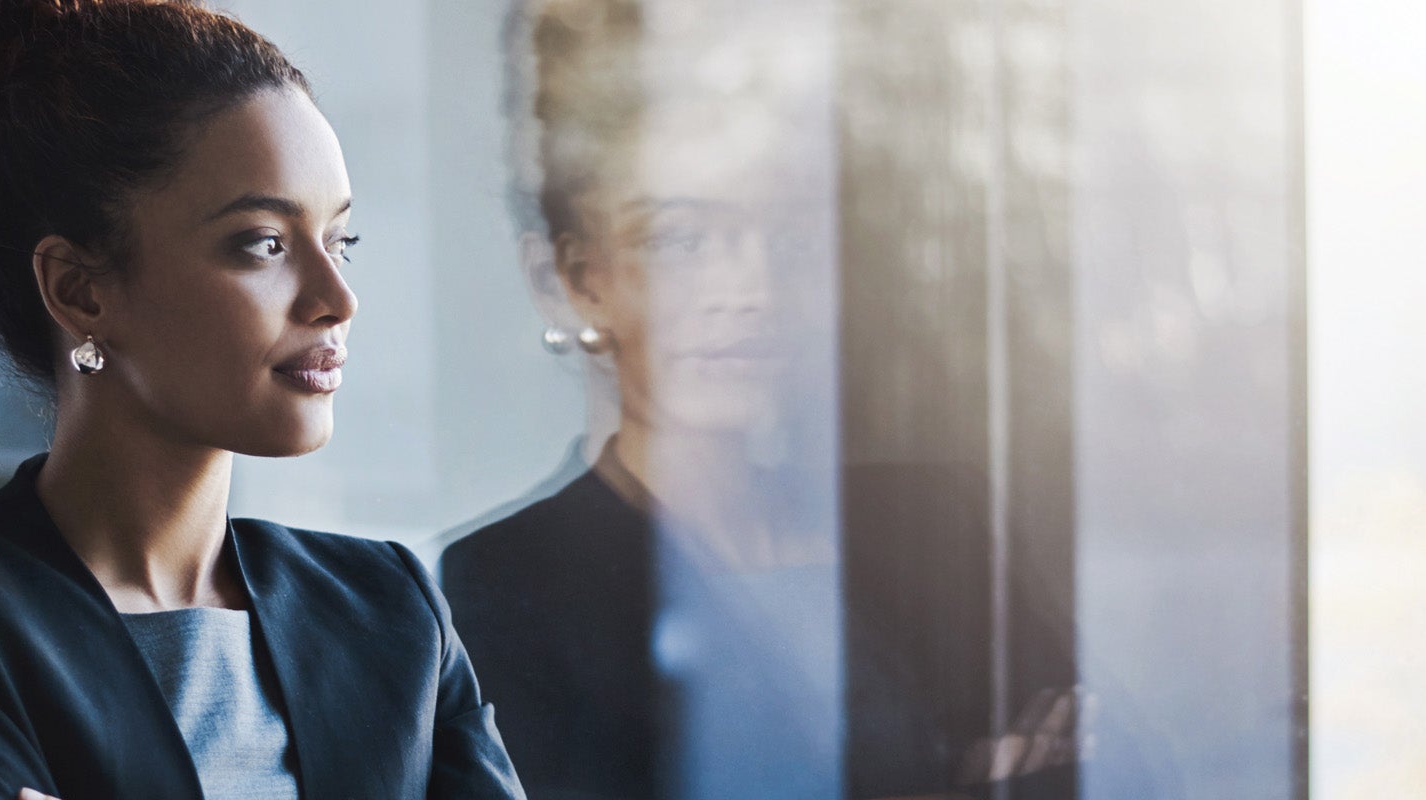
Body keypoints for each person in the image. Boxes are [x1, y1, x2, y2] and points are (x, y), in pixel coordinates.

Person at [0, 2, 522, 798]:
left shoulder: (391, 610)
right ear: (80, 291)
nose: (337, 298)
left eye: (341, 242)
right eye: (263, 244)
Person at [439, 1, 1090, 798]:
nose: (752, 288)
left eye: (788, 238)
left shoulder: (937, 522)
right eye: (680, 240)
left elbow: (1121, 768)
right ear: (570, 280)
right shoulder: (507, 586)